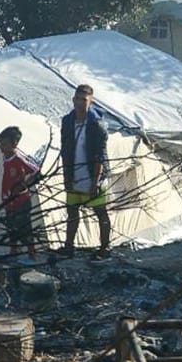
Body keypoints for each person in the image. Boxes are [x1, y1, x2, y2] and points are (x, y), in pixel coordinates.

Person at [59, 84, 112, 260]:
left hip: (93, 173)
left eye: (84, 99)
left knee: (100, 212)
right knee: (72, 211)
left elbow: (99, 154)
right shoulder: (67, 121)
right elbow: (65, 149)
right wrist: (66, 175)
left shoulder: (97, 124)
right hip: (74, 172)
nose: (80, 103)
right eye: (77, 99)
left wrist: (95, 181)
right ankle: (69, 246)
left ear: (91, 101)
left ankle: (105, 248)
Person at [0, 126, 42, 264]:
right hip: (9, 201)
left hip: (21, 201)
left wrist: (23, 186)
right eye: (1, 144)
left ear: (14, 144)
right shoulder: (6, 158)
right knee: (11, 229)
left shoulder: (19, 160)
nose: (1, 147)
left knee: (25, 228)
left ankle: (31, 254)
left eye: (4, 144)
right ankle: (14, 253)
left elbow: (36, 172)